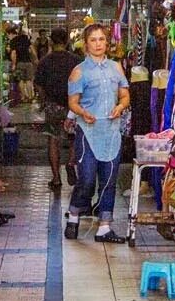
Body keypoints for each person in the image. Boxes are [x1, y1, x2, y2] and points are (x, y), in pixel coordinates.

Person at [65, 21, 130, 243]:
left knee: (109, 179)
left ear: (107, 42)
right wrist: (83, 113)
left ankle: (104, 226)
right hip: (88, 131)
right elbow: (72, 102)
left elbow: (124, 95)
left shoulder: (116, 67)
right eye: (93, 40)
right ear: (86, 45)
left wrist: (120, 107)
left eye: (101, 39)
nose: (98, 43)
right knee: (86, 178)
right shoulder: (78, 71)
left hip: (111, 131)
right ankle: (74, 214)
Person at [34, 29, 80, 193]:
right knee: (74, 137)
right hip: (72, 105)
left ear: (52, 42)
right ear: (67, 41)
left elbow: (38, 84)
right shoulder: (76, 60)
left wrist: (44, 98)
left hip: (53, 105)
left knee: (53, 140)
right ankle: (71, 162)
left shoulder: (45, 61)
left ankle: (56, 178)